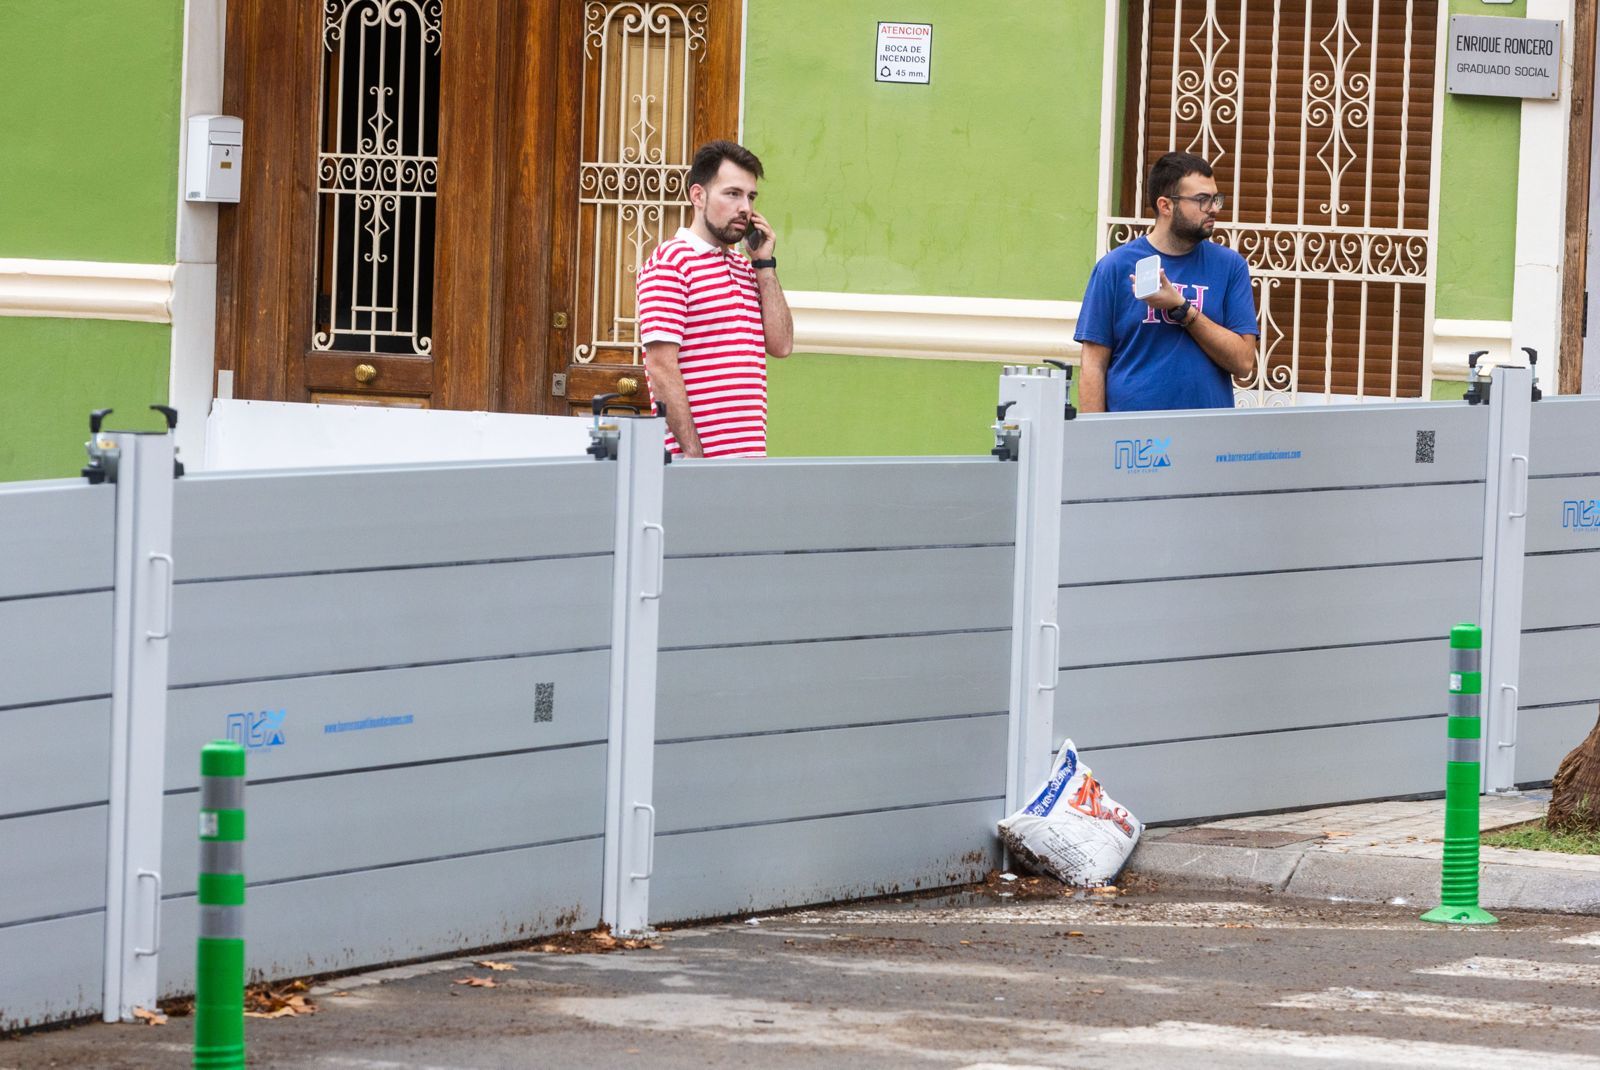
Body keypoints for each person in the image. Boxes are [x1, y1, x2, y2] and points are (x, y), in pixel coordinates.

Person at [635, 140, 794, 458]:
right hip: (695, 464)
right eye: (732, 194)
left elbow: (782, 346)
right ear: (698, 195)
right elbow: (661, 367)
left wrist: (763, 264)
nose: (745, 208)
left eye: (750, 197)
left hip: (746, 459)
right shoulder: (671, 262)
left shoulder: (744, 268)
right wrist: (695, 458)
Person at [1074, 152, 1258, 412]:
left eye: (1216, 199)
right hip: (1134, 439)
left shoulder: (1230, 267)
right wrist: (1096, 441)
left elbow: (1243, 362)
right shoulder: (1114, 268)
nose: (1214, 209)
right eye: (1202, 200)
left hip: (1207, 435)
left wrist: (1181, 308)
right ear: (1166, 206)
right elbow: (1093, 365)